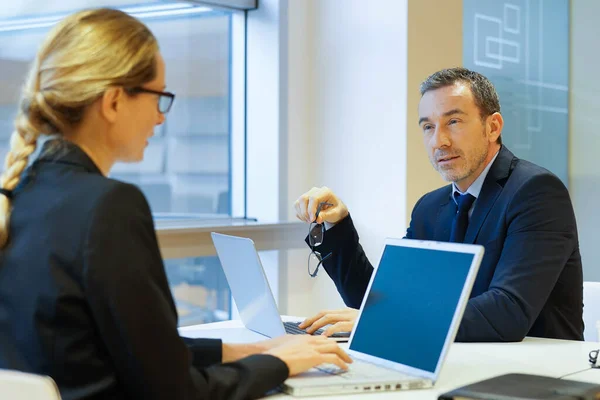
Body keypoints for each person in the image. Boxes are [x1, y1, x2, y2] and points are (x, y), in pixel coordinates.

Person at [0, 8, 350, 400]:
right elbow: (176, 391)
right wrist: (280, 364)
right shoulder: (108, 206)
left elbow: (126, 351)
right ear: (114, 101)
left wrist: (251, 350)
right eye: (158, 97)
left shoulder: (20, 197)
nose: (161, 119)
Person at [294, 67, 583, 343]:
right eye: (428, 127)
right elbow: (380, 301)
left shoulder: (536, 192)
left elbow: (508, 311)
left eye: (453, 122)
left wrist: (390, 320)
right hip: (455, 362)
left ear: (493, 126)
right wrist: (337, 225)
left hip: (535, 376)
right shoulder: (430, 208)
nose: (438, 141)